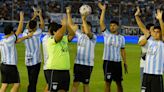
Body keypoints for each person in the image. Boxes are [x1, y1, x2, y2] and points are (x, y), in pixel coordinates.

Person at [0, 12, 33, 92]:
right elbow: (19, 30)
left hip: (3, 65)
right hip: (10, 66)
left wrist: (27, 36)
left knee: (4, 85)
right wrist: (21, 18)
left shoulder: (2, 41)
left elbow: (17, 41)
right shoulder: (11, 39)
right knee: (16, 84)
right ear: (11, 32)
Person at [46, 8, 77, 91]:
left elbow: (72, 34)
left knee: (63, 90)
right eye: (59, 30)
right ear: (54, 32)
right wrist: (64, 26)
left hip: (65, 70)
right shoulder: (50, 40)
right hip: (55, 70)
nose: (62, 31)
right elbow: (59, 36)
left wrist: (67, 25)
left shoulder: (64, 39)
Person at [98, 2, 128, 92]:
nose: (112, 27)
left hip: (118, 63)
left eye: (114, 25)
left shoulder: (122, 38)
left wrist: (125, 62)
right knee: (108, 83)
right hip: (108, 62)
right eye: (111, 25)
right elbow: (101, 22)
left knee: (119, 83)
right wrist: (103, 10)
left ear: (117, 27)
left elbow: (123, 50)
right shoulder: (106, 34)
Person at [71, 7, 97, 92]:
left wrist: (83, 20)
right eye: (82, 26)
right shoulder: (79, 35)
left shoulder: (93, 37)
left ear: (90, 28)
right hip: (78, 63)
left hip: (88, 64)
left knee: (86, 84)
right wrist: (68, 13)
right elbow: (72, 26)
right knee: (75, 83)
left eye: (85, 26)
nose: (83, 28)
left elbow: (87, 33)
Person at [139, 9, 164, 92]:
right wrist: (136, 16)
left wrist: (160, 19)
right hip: (146, 74)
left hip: (156, 76)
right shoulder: (149, 41)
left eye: (158, 32)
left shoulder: (162, 43)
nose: (156, 33)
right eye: (155, 31)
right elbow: (142, 27)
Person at [22, 8, 44, 92]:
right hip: (36, 61)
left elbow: (29, 26)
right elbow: (42, 25)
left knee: (31, 80)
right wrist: (39, 15)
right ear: (35, 27)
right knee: (33, 82)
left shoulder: (24, 33)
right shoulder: (37, 33)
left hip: (27, 60)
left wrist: (34, 17)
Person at [135, 7, 154, 87]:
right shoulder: (144, 37)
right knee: (144, 86)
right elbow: (141, 43)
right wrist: (147, 36)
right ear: (148, 30)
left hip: (153, 66)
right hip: (144, 65)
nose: (154, 31)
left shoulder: (156, 38)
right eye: (152, 29)